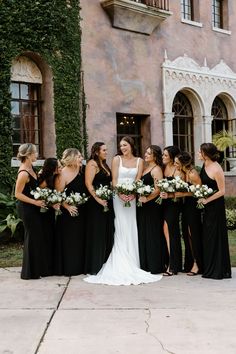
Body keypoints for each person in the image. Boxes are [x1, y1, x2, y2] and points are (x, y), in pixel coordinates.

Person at [84, 136, 162, 285]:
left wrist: (133, 193)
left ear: (131, 145)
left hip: (132, 199)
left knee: (131, 225)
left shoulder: (140, 161)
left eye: (125, 145)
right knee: (119, 226)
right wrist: (119, 193)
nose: (122, 148)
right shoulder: (116, 160)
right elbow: (114, 179)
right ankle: (119, 257)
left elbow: (138, 180)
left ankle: (134, 261)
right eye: (121, 146)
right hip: (117, 197)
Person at [198, 143, 231, 279]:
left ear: (206, 154)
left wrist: (206, 200)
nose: (198, 154)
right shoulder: (204, 166)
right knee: (207, 237)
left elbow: (222, 191)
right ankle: (209, 266)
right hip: (206, 206)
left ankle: (217, 269)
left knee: (214, 235)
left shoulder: (217, 168)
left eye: (200, 152)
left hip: (215, 207)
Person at [15, 143, 46, 279]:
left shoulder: (31, 167)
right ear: (28, 155)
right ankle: (28, 273)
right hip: (27, 208)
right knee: (32, 237)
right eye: (35, 153)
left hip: (34, 207)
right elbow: (17, 194)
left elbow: (36, 186)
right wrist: (36, 202)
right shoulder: (23, 173)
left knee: (35, 237)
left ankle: (35, 270)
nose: (37, 155)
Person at [54, 148, 87, 276]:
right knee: (70, 240)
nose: (81, 158)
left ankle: (81, 266)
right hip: (68, 213)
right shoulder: (62, 173)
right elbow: (58, 195)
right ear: (72, 158)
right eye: (79, 156)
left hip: (83, 211)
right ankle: (69, 267)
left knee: (81, 238)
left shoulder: (82, 170)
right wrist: (67, 207)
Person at [84, 142, 114, 275]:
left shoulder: (104, 164)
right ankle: (95, 265)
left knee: (107, 230)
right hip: (96, 204)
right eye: (104, 150)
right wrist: (98, 199)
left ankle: (106, 262)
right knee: (98, 232)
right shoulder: (92, 164)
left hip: (107, 201)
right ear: (96, 152)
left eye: (106, 150)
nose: (106, 152)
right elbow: (88, 184)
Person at [137, 145, 165, 274]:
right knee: (143, 234)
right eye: (146, 152)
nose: (146, 154)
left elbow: (158, 188)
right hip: (143, 207)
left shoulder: (157, 169)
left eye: (149, 153)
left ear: (155, 156)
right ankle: (145, 264)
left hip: (152, 206)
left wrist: (147, 199)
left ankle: (155, 265)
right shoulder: (146, 168)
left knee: (152, 234)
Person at [174, 152, 203, 275]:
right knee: (186, 235)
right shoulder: (183, 173)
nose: (175, 165)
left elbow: (200, 191)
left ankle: (198, 263)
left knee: (193, 235)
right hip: (185, 206)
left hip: (193, 207)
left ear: (184, 163)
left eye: (177, 163)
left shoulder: (192, 174)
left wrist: (184, 194)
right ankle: (190, 262)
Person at [160, 145, 183, 276]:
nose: (163, 157)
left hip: (174, 204)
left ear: (172, 157)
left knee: (169, 230)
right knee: (165, 231)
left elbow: (182, 189)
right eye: (163, 154)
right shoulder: (164, 168)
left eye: (165, 155)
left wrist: (170, 194)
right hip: (163, 203)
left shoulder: (178, 170)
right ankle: (170, 262)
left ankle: (172, 265)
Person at [38, 158, 62, 276]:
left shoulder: (54, 177)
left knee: (51, 237)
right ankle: (44, 266)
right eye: (59, 166)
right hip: (43, 212)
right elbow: (39, 195)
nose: (61, 167)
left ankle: (50, 265)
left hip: (50, 212)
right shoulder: (45, 180)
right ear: (53, 167)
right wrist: (52, 203)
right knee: (45, 237)